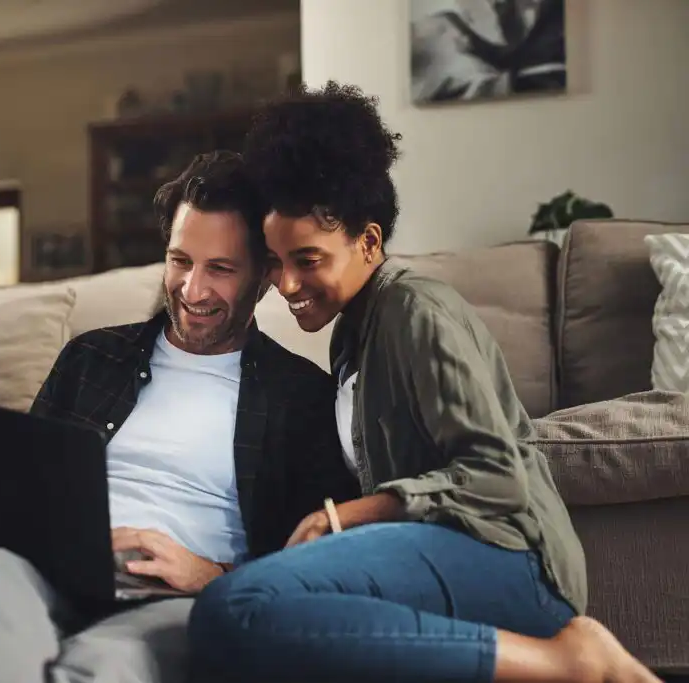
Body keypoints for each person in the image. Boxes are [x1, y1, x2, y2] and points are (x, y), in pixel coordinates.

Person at [186, 83, 661, 683]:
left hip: (512, 555)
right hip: (441, 550)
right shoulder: (349, 336)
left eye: (307, 260)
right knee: (252, 618)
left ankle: (573, 662)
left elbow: (498, 478)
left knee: (236, 612)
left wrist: (345, 517)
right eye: (276, 263)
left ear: (369, 241)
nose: (285, 284)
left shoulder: (416, 309)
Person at [0, 150, 358, 683]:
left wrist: (213, 576)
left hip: (176, 598)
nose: (193, 289)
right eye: (181, 261)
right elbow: (24, 485)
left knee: (107, 667)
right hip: (45, 570)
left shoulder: (301, 396)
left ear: (265, 274)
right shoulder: (93, 357)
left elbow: (320, 563)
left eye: (221, 270)